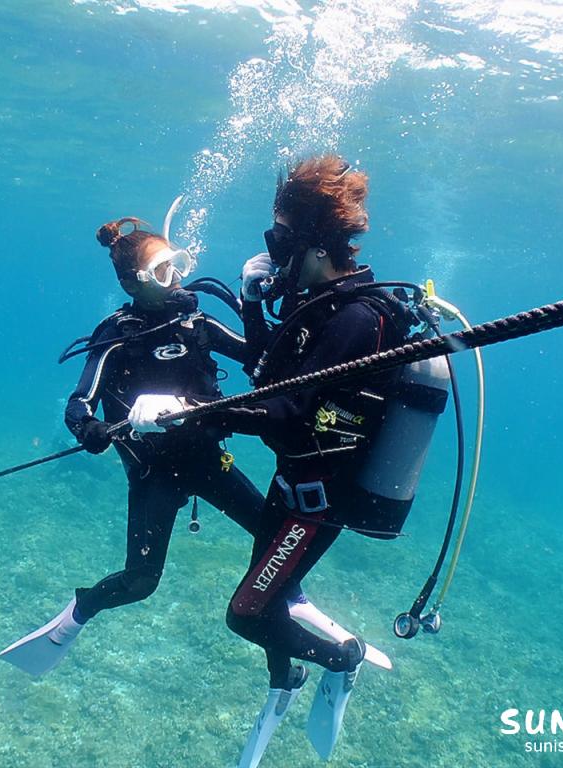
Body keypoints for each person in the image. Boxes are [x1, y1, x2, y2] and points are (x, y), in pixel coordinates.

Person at [129, 155, 431, 766]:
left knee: (247, 613)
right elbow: (269, 371)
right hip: (290, 487)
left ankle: (342, 661)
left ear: (314, 245)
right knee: (274, 591)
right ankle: (284, 679)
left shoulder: (352, 319)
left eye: (279, 239)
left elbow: (287, 412)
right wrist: (248, 298)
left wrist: (191, 411)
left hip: (316, 504)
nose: (273, 251)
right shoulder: (319, 306)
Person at [0, 214, 265, 676]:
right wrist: (92, 432)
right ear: (132, 283)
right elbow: (78, 404)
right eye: (164, 271)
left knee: (274, 531)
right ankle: (79, 612)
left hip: (207, 457)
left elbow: (261, 356)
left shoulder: (196, 323)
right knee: (141, 582)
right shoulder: (116, 337)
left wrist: (254, 299)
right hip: (153, 473)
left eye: (177, 264)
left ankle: (287, 603)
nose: (178, 278)